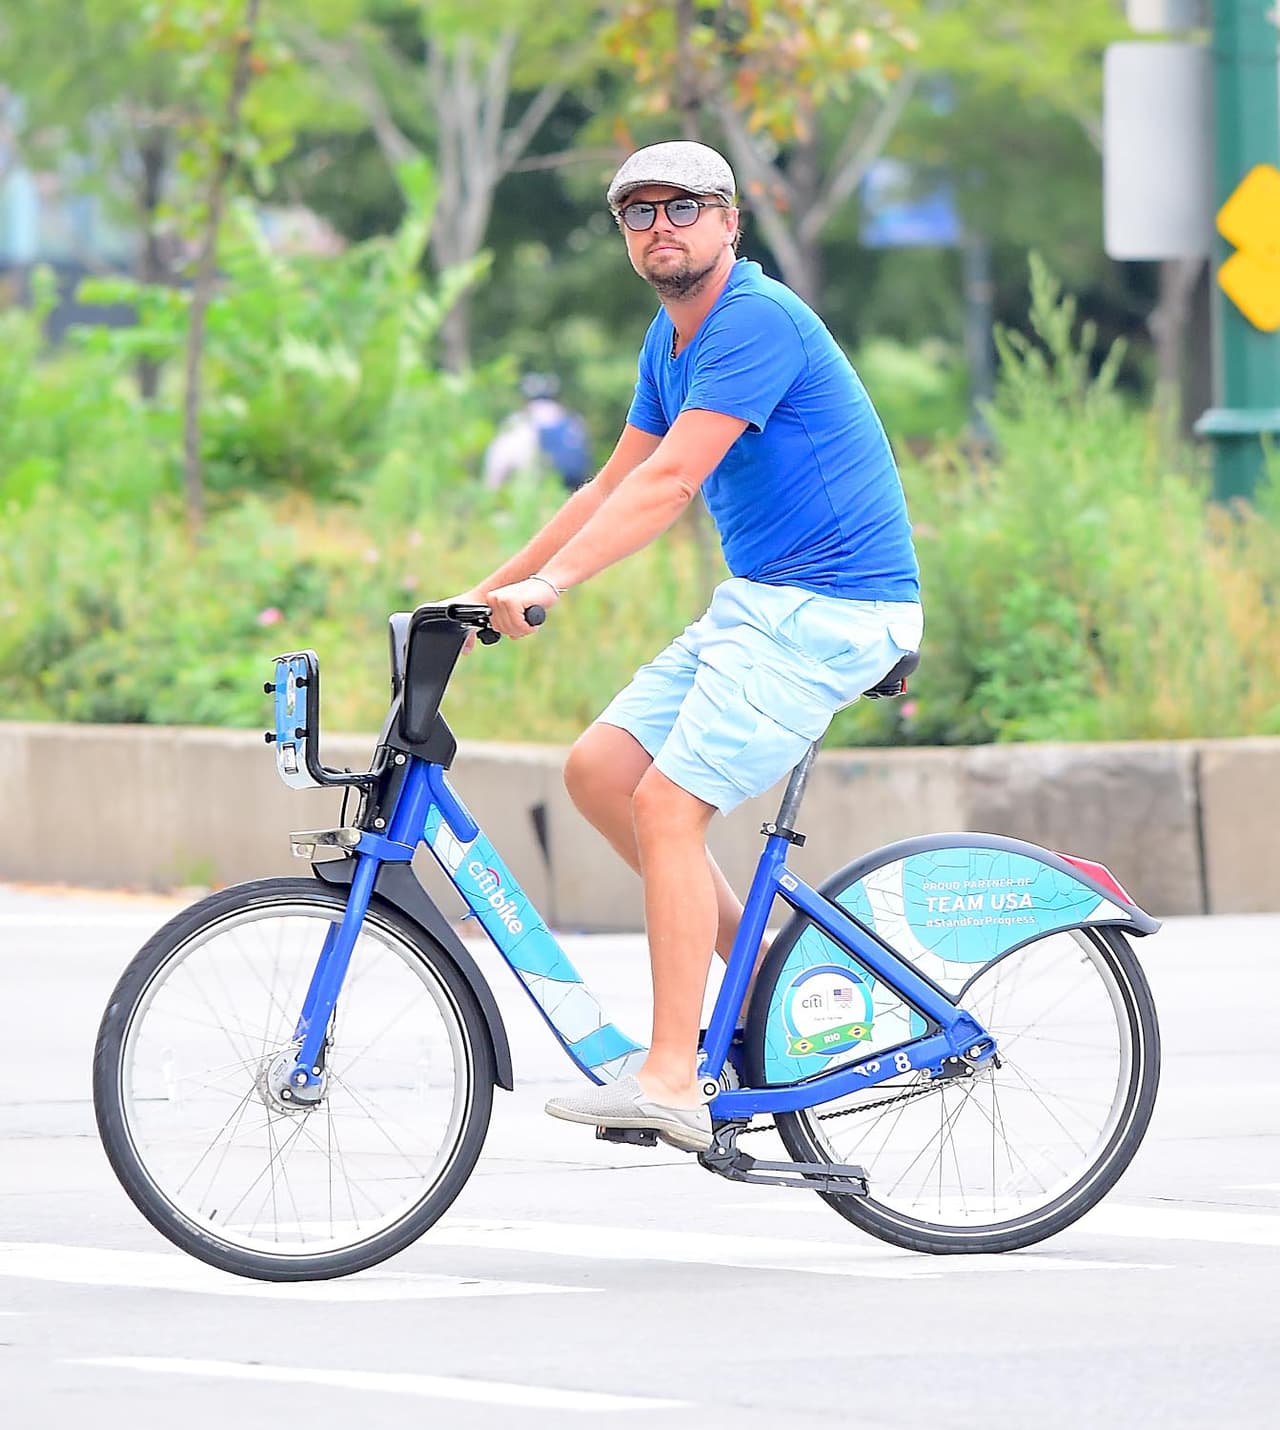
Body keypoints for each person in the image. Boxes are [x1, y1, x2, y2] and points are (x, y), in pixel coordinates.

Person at [450, 140, 923, 1151]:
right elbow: (609, 485)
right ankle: (764, 994)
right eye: (639, 212)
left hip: (836, 609)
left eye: (683, 207)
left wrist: (551, 586)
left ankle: (673, 1079)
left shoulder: (752, 319)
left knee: (666, 805)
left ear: (729, 222)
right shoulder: (669, 342)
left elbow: (669, 485)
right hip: (764, 604)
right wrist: (486, 595)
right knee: (600, 771)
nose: (660, 227)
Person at [482, 373, 593, 493]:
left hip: (535, 490)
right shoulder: (574, 421)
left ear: (525, 398)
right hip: (573, 492)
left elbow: (498, 465)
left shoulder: (519, 422)